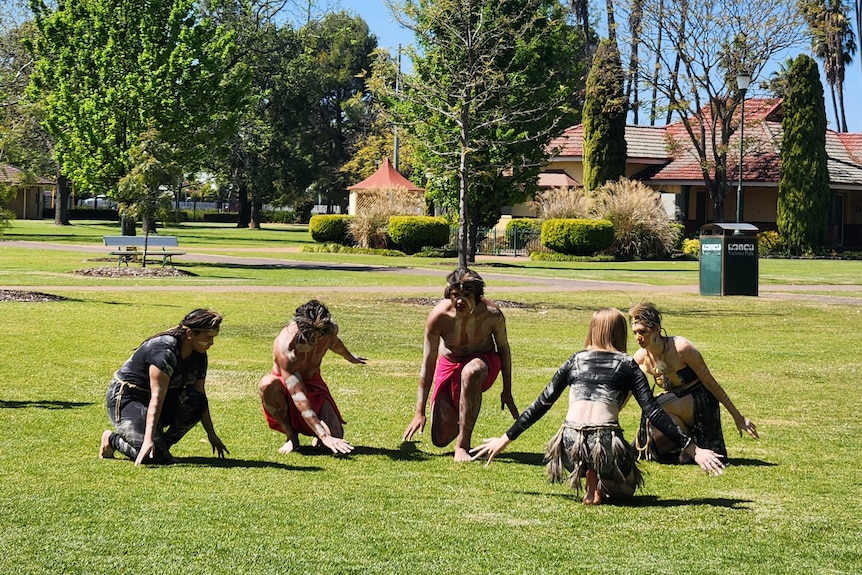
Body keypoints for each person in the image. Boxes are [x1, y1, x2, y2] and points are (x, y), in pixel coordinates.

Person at [471, 308, 726, 505]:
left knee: (590, 442)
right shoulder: (627, 364)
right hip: (605, 444)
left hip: (569, 446)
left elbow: (542, 403)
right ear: (619, 333)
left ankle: (590, 476)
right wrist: (693, 449)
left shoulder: (575, 360)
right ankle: (596, 482)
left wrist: (505, 439)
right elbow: (653, 411)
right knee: (627, 490)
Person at [403, 268, 519, 462]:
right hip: (450, 363)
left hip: (483, 362)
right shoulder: (438, 317)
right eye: (456, 295)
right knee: (440, 439)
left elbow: (504, 350)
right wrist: (419, 411)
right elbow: (428, 362)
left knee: (471, 372)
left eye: (466, 295)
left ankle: (462, 446)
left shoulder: (492, 315)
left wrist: (507, 391)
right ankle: (464, 411)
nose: (459, 301)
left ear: (478, 297)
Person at [628, 302, 758, 463]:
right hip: (675, 406)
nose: (638, 338)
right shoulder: (640, 358)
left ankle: (690, 446)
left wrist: (737, 416)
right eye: (634, 333)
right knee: (643, 451)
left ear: (655, 329)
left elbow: (711, 383)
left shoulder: (681, 348)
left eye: (643, 332)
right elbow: (625, 392)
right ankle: (687, 446)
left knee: (655, 406)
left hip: (701, 403)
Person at [99, 309, 229, 465]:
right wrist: (148, 439)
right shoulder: (164, 350)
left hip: (163, 400)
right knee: (151, 457)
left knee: (196, 401)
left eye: (213, 338)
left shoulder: (199, 354)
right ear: (189, 333)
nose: (211, 343)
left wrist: (211, 434)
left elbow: (200, 394)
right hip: (130, 398)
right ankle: (112, 439)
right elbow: (156, 397)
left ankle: (160, 448)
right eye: (207, 337)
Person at [259, 299, 367, 456]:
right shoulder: (285, 347)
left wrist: (349, 356)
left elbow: (334, 343)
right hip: (286, 387)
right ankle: (291, 436)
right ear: (300, 328)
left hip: (312, 382)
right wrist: (323, 435)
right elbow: (297, 394)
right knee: (267, 383)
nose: (316, 340)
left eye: (320, 335)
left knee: (335, 436)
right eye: (311, 336)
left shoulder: (328, 331)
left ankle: (318, 435)